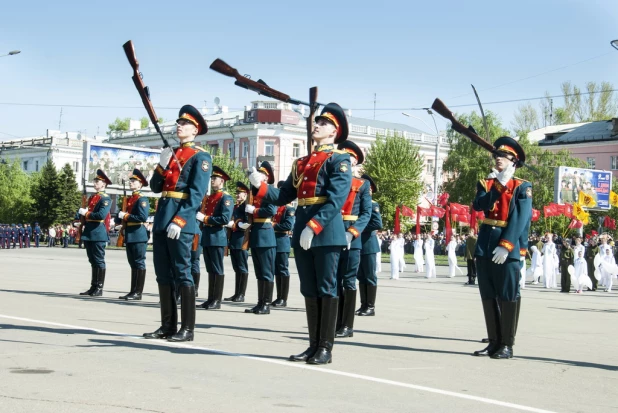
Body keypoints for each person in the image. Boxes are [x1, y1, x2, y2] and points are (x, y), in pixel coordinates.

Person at [247, 102, 352, 365]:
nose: (317, 126)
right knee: (309, 289)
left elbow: (336, 199)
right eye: (316, 122)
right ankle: (313, 345)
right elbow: (283, 197)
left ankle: (325, 348)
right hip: (303, 229)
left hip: (325, 232)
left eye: (324, 123)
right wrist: (261, 187)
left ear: (334, 132)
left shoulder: (339, 160)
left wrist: (313, 227)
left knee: (326, 288)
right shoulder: (302, 162)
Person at [143, 105, 210, 342]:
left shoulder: (200, 157)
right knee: (163, 275)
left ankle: (187, 328)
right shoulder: (172, 155)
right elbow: (155, 188)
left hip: (180, 221)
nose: (179, 126)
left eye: (185, 123)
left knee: (183, 274)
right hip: (162, 219)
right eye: (178, 123)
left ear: (195, 129)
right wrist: (161, 165)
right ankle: (167, 325)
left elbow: (196, 193)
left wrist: (180, 220)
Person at [472, 136, 532, 360]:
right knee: (488, 295)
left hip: (507, 248)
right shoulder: (486, 184)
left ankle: (507, 344)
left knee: (507, 296)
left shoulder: (522, 186)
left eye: (504, 156)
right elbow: (481, 205)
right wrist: (498, 186)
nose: (498, 159)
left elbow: (520, 218)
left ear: (514, 161)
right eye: (496, 155)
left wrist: (506, 245)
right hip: (485, 245)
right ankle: (494, 341)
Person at [334, 140, 371, 338]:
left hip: (351, 236)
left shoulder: (362, 185)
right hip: (333, 233)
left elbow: (366, 214)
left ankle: (347, 325)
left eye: (348, 160)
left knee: (348, 280)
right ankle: (335, 322)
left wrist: (353, 232)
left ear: (354, 163)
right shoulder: (333, 182)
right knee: (334, 280)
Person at [197, 166, 234, 310]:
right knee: (210, 269)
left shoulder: (226, 197)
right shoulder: (210, 197)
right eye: (212, 178)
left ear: (222, 181)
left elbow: (224, 218)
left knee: (217, 269)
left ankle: (216, 300)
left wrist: (205, 219)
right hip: (207, 236)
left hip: (217, 236)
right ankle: (210, 299)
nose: (212, 181)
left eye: (215, 179)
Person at [244, 162, 277, 315]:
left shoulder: (270, 192)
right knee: (259, 272)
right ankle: (260, 302)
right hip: (256, 233)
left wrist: (255, 210)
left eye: (261, 174)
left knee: (266, 272)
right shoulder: (253, 192)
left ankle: (266, 304)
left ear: (266, 177)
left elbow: (271, 210)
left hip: (265, 233)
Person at [115, 169, 150, 301]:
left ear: (140, 184)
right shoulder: (130, 199)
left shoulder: (142, 199)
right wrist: (119, 219)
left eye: (134, 181)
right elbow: (122, 216)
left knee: (139, 263)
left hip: (138, 234)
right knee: (133, 264)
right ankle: (132, 291)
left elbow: (142, 216)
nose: (131, 183)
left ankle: (138, 292)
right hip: (130, 234)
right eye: (131, 181)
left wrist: (126, 216)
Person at [78, 169, 112, 297]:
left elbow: (100, 215)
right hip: (89, 232)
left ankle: (99, 287)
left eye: (97, 181)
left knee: (99, 260)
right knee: (92, 260)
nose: (95, 183)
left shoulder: (105, 199)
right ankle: (93, 286)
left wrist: (85, 213)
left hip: (98, 232)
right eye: (95, 181)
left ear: (104, 184)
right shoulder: (93, 197)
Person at [356, 174, 382, 317]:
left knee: (370, 275)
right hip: (360, 243)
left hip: (369, 244)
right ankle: (363, 304)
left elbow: (377, 223)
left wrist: (359, 227)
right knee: (361, 276)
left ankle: (370, 306)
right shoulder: (359, 204)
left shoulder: (373, 204)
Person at [225, 182, 251, 302]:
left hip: (242, 239)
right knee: (236, 268)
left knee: (242, 268)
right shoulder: (236, 206)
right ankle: (237, 293)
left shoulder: (246, 207)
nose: (237, 195)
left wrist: (235, 224)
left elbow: (247, 223)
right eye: (237, 193)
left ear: (245, 194)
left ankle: (242, 294)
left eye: (240, 193)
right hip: (234, 239)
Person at [272, 181, 296, 308]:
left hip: (282, 242)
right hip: (274, 241)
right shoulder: (276, 207)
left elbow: (288, 225)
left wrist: (273, 225)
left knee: (282, 270)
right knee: (276, 270)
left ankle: (283, 298)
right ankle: (278, 297)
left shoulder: (289, 208)